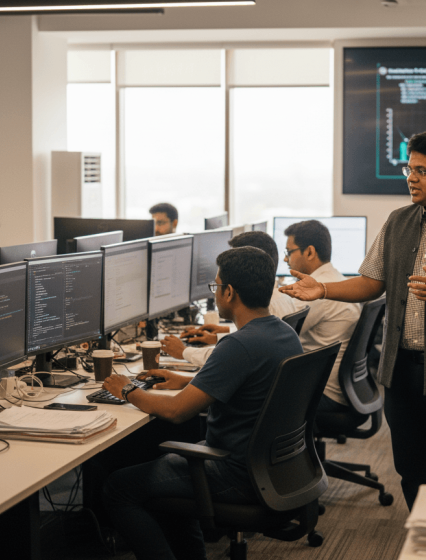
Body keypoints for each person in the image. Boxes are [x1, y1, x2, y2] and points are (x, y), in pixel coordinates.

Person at [280, 129, 426, 509]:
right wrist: (323, 289)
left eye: (422, 171)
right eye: (408, 169)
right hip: (402, 372)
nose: (411, 178)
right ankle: (420, 532)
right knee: (411, 469)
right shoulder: (398, 221)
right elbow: (370, 283)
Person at [102, 246, 302, 560]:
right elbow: (246, 384)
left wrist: (127, 389)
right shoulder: (285, 333)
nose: (216, 292)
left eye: (216, 286)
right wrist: (190, 381)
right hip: (273, 469)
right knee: (168, 476)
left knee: (118, 488)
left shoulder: (237, 345)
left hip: (234, 473)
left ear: (230, 292)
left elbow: (175, 411)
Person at [160, 230, 298, 363]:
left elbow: (233, 356)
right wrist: (219, 336)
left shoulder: (270, 306)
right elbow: (250, 345)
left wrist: (184, 351)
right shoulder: (280, 298)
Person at [281, 220, 362, 419]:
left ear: (309, 252)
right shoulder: (337, 280)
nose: (285, 259)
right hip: (343, 389)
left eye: (289, 252)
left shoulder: (318, 294)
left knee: (248, 393)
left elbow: (278, 336)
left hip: (323, 393)